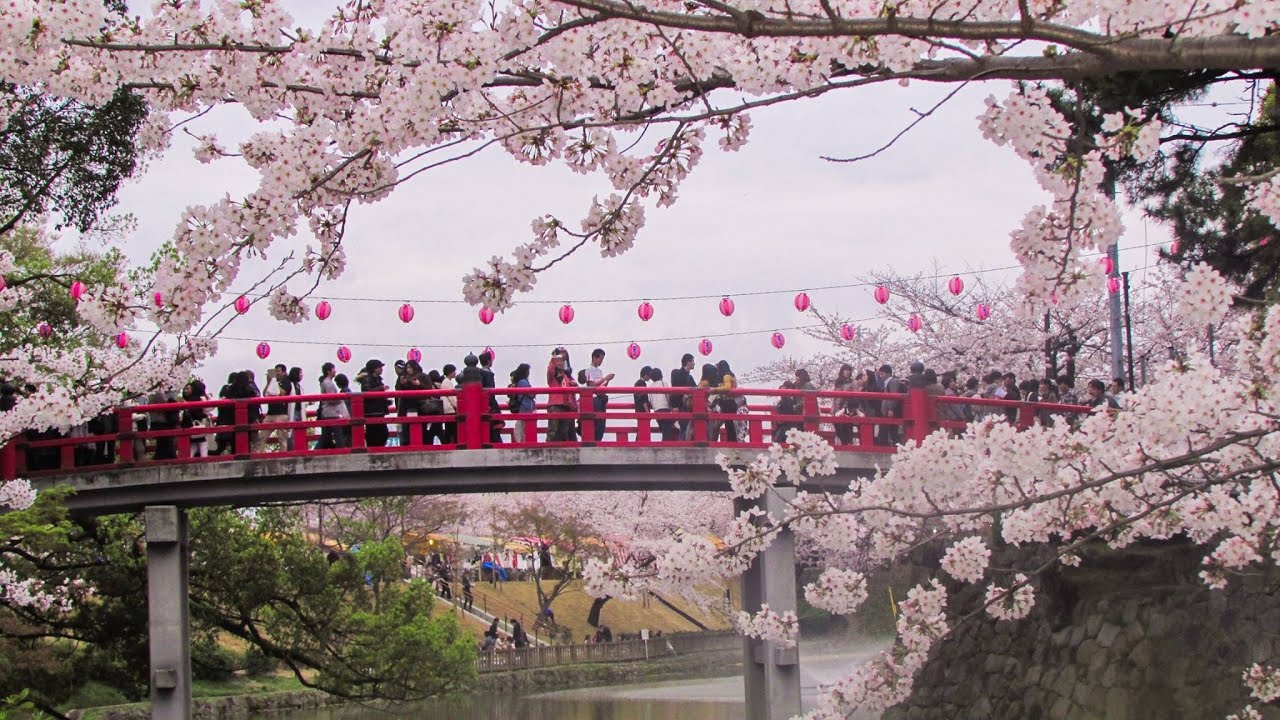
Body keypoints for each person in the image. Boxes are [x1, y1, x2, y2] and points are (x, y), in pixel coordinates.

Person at [582, 348, 616, 441]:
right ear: (594, 358)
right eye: (600, 359)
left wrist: (607, 380)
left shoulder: (599, 371)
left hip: (601, 398)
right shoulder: (588, 370)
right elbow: (591, 385)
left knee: (601, 423)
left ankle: (598, 440)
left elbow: (601, 386)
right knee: (596, 422)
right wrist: (605, 378)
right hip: (594, 398)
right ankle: (594, 440)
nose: (601, 361)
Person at [356, 359, 390, 447]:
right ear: (374, 369)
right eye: (380, 367)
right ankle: (373, 450)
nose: (382, 369)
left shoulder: (378, 379)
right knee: (374, 433)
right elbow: (367, 392)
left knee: (383, 433)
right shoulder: (367, 379)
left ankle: (377, 449)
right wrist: (381, 388)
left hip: (378, 410)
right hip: (371, 411)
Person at [546, 350, 577, 442]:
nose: (561, 363)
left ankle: (561, 449)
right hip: (555, 404)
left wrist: (573, 385)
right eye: (558, 361)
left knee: (564, 431)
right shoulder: (553, 375)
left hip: (566, 405)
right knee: (553, 430)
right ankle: (550, 449)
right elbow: (550, 369)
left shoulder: (566, 376)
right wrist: (553, 358)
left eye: (562, 361)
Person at [318, 362, 350, 449]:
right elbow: (331, 399)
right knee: (337, 433)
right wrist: (341, 399)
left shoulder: (326, 382)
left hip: (328, 412)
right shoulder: (328, 383)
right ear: (329, 371)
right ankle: (341, 450)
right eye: (333, 369)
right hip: (332, 412)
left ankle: (315, 452)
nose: (335, 371)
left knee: (326, 435)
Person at [260, 364, 290, 452]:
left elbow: (283, 393)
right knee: (261, 436)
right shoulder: (272, 382)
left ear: (284, 372)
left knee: (282, 439)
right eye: (275, 371)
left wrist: (274, 382)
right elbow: (265, 394)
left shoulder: (286, 382)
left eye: (278, 371)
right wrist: (269, 382)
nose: (276, 373)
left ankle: (283, 456)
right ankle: (258, 454)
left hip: (281, 413)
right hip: (270, 413)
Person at [670, 353, 697, 440]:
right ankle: (682, 446)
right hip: (680, 406)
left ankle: (682, 445)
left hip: (684, 406)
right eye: (693, 361)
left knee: (685, 428)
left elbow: (696, 389)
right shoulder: (677, 373)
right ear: (688, 362)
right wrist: (674, 406)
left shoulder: (688, 376)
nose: (694, 363)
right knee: (684, 427)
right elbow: (675, 390)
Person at [181, 380, 211, 458]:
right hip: (198, 423)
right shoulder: (200, 398)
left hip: (190, 423)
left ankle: (190, 458)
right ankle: (204, 458)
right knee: (201, 441)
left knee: (194, 443)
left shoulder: (190, 399)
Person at [877, 364, 905, 446]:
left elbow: (893, 396)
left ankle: (897, 447)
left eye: (882, 374)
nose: (880, 376)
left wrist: (891, 409)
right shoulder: (887, 383)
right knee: (891, 431)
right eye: (880, 374)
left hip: (892, 411)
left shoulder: (893, 382)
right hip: (888, 411)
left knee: (893, 431)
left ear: (888, 374)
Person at [478, 351, 503, 443]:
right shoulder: (488, 374)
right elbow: (490, 392)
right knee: (494, 425)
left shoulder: (479, 373)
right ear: (489, 361)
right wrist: (491, 404)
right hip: (489, 403)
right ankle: (496, 443)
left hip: (481, 403)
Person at [647, 367, 677, 441]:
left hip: (656, 411)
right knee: (667, 431)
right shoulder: (664, 384)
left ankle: (664, 444)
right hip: (665, 409)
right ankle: (664, 447)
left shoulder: (650, 387)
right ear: (661, 375)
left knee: (663, 430)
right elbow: (670, 396)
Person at [509, 363, 536, 443]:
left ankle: (521, 441)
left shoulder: (519, 381)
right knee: (520, 426)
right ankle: (520, 442)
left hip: (523, 405)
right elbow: (531, 393)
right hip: (525, 405)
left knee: (521, 425)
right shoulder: (523, 381)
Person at [439, 363, 459, 444]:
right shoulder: (447, 382)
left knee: (449, 428)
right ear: (450, 372)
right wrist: (457, 406)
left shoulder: (445, 382)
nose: (455, 373)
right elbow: (452, 397)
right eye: (454, 371)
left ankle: (448, 443)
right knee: (452, 429)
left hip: (446, 408)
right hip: (449, 409)